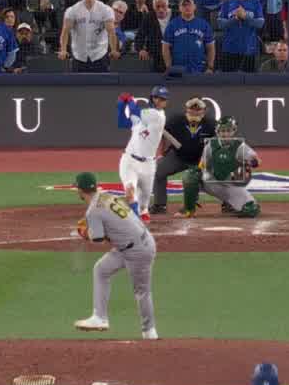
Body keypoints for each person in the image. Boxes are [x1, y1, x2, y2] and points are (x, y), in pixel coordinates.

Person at [72, 170, 158, 340]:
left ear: (80, 190)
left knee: (142, 292)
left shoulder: (92, 212)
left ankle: (150, 333)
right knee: (101, 269)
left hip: (138, 250)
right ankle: (100, 317)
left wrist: (85, 232)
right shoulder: (107, 196)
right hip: (131, 245)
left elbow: (97, 238)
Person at [183, 116, 262, 218]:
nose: (225, 134)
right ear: (217, 132)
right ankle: (189, 209)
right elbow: (202, 164)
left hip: (230, 185)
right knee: (191, 175)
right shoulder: (211, 145)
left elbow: (257, 160)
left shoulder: (239, 146)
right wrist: (198, 173)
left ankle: (230, 204)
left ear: (234, 131)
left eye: (228, 131)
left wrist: (253, 163)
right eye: (222, 131)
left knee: (251, 210)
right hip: (211, 182)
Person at [154, 97, 217, 216]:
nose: (195, 112)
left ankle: (228, 203)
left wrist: (208, 162)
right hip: (179, 156)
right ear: (186, 110)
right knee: (158, 170)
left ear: (204, 111)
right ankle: (159, 205)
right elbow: (163, 135)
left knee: (222, 170)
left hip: (201, 159)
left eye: (198, 110)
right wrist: (162, 154)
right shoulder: (175, 121)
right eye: (192, 110)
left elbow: (219, 143)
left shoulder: (211, 124)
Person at [115, 86, 169, 223]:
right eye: (157, 97)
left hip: (148, 165)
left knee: (144, 202)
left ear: (165, 102)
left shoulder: (158, 116)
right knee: (130, 191)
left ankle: (143, 211)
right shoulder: (144, 115)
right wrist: (121, 106)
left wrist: (130, 100)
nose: (159, 101)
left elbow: (134, 111)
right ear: (152, 98)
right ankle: (135, 223)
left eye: (163, 99)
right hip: (129, 160)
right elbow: (122, 123)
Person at [58, 0, 120, 73]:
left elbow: (111, 32)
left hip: (99, 55)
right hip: (79, 55)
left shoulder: (106, 10)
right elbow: (65, 31)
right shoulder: (73, 10)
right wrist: (63, 50)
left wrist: (114, 50)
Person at [162, 0, 215, 75]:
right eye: (184, 5)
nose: (187, 7)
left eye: (189, 5)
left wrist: (210, 67)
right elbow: (165, 48)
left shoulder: (204, 24)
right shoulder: (172, 25)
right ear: (180, 8)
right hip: (178, 70)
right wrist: (169, 67)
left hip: (199, 69)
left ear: (194, 7)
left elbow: (210, 48)